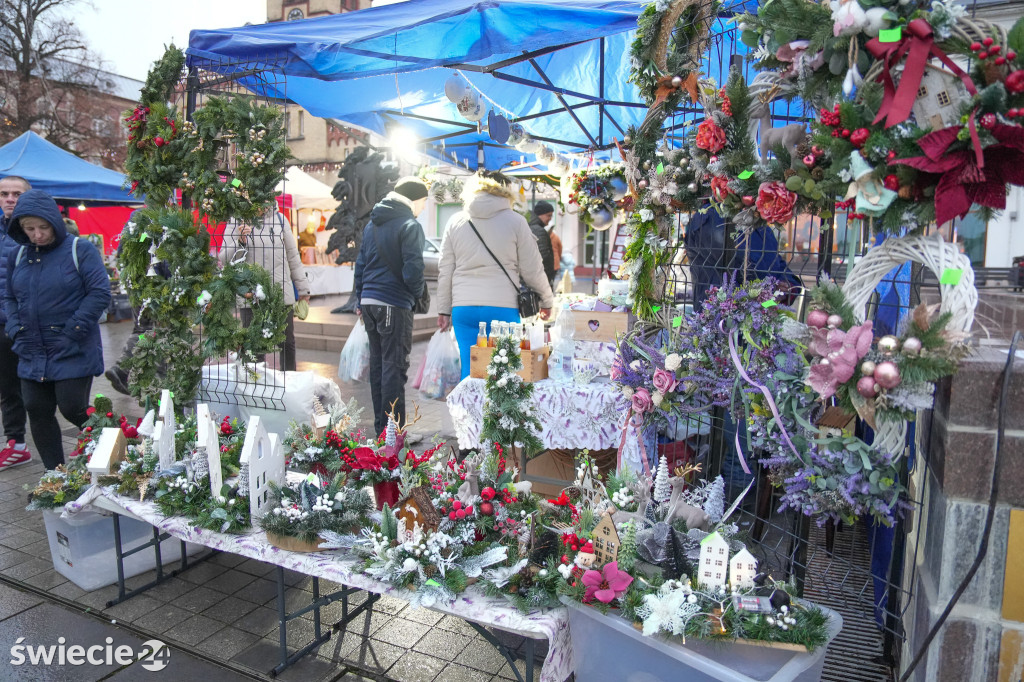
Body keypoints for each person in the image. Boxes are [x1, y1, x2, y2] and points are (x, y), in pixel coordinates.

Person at [3, 190, 111, 470]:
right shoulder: (17, 255)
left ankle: (114, 444)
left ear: (54, 222)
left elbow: (99, 292)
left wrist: (72, 330)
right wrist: (14, 327)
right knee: (36, 410)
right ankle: (55, 476)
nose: (37, 235)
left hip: (71, 345)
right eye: (29, 229)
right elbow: (9, 297)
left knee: (72, 407)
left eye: (43, 227)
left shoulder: (80, 249)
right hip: (30, 347)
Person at [437, 175, 554, 380]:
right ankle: (497, 413)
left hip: (463, 306)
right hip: (502, 306)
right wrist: (547, 300)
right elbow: (532, 268)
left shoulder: (455, 221)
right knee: (504, 374)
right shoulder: (516, 221)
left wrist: (443, 310)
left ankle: (470, 412)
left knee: (470, 370)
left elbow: (446, 270)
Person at [353, 177, 428, 436]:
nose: (424, 207)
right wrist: (418, 294)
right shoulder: (410, 225)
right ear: (415, 199)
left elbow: (360, 265)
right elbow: (413, 271)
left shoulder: (372, 224)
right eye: (425, 202)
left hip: (370, 303)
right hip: (393, 304)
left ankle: (382, 432)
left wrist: (359, 299)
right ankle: (393, 437)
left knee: (379, 367)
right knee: (394, 370)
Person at [220, 208, 311, 372]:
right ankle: (255, 389)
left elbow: (293, 257)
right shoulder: (237, 220)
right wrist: (240, 241)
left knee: (287, 344)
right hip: (251, 295)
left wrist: (303, 288)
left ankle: (289, 386)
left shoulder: (280, 220)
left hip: (281, 292)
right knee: (254, 347)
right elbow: (224, 258)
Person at [0, 176, 31, 468]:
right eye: (4, 194)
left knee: (43, 389)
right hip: (1, 325)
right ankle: (16, 443)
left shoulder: (38, 233)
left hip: (31, 325)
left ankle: (88, 438)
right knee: (8, 388)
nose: (10, 199)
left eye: (16, 194)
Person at [527, 200, 557, 285]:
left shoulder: (532, 227)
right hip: (540, 282)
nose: (550, 218)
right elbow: (543, 258)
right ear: (540, 214)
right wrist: (547, 281)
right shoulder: (538, 230)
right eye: (548, 215)